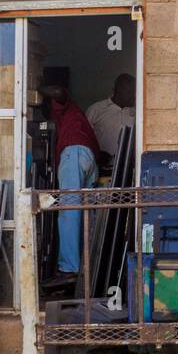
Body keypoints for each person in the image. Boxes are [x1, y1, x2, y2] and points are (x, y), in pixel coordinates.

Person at [41, 83, 100, 279]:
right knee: (85, 214)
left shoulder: (65, 106)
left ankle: (69, 268)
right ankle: (86, 264)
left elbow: (57, 91)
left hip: (74, 153)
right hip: (89, 158)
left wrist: (27, 85)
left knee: (70, 208)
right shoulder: (76, 119)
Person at [86, 73, 136, 163]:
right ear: (119, 90)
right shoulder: (96, 110)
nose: (133, 95)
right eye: (130, 92)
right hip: (101, 166)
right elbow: (84, 139)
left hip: (129, 166)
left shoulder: (137, 112)